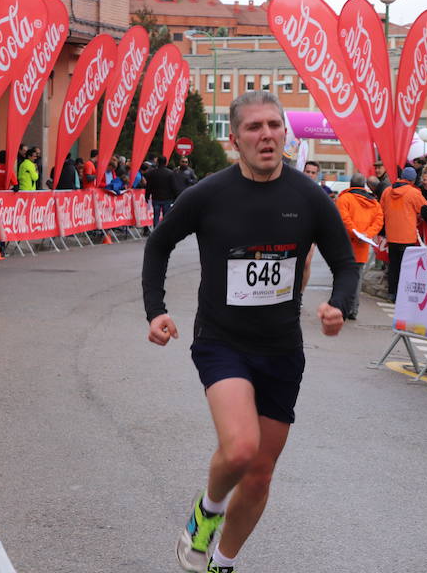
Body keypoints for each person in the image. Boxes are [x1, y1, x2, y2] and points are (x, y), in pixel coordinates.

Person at [142, 90, 357, 573]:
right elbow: (158, 246)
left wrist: (338, 306)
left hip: (282, 349)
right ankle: (208, 510)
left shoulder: (308, 197)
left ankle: (222, 561)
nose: (266, 135)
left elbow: (345, 264)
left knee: (260, 474)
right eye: (254, 128)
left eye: (274, 126)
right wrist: (155, 310)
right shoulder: (207, 195)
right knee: (240, 448)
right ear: (235, 140)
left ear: (285, 133)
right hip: (222, 342)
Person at [335, 173, 384, 320]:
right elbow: (379, 221)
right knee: (357, 279)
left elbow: (344, 220)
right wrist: (367, 235)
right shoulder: (374, 203)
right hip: (362, 247)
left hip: (345, 246)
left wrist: (355, 233)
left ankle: (342, 308)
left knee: (342, 279)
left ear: (350, 184)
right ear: (364, 186)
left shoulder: (344, 199)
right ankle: (353, 309)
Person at [380, 166, 427, 301]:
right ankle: (402, 296)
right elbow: (425, 210)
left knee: (393, 266)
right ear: (413, 180)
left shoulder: (387, 191)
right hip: (407, 237)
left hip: (391, 236)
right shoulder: (414, 193)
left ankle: (391, 293)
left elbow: (381, 210)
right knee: (406, 268)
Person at [145, 155, 179, 226]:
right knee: (166, 216)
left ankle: (156, 231)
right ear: (166, 162)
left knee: (156, 215)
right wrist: (176, 196)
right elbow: (174, 186)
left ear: (157, 162)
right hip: (167, 198)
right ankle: (164, 231)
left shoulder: (152, 173)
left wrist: (147, 195)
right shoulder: (170, 173)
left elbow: (149, 186)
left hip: (156, 197)